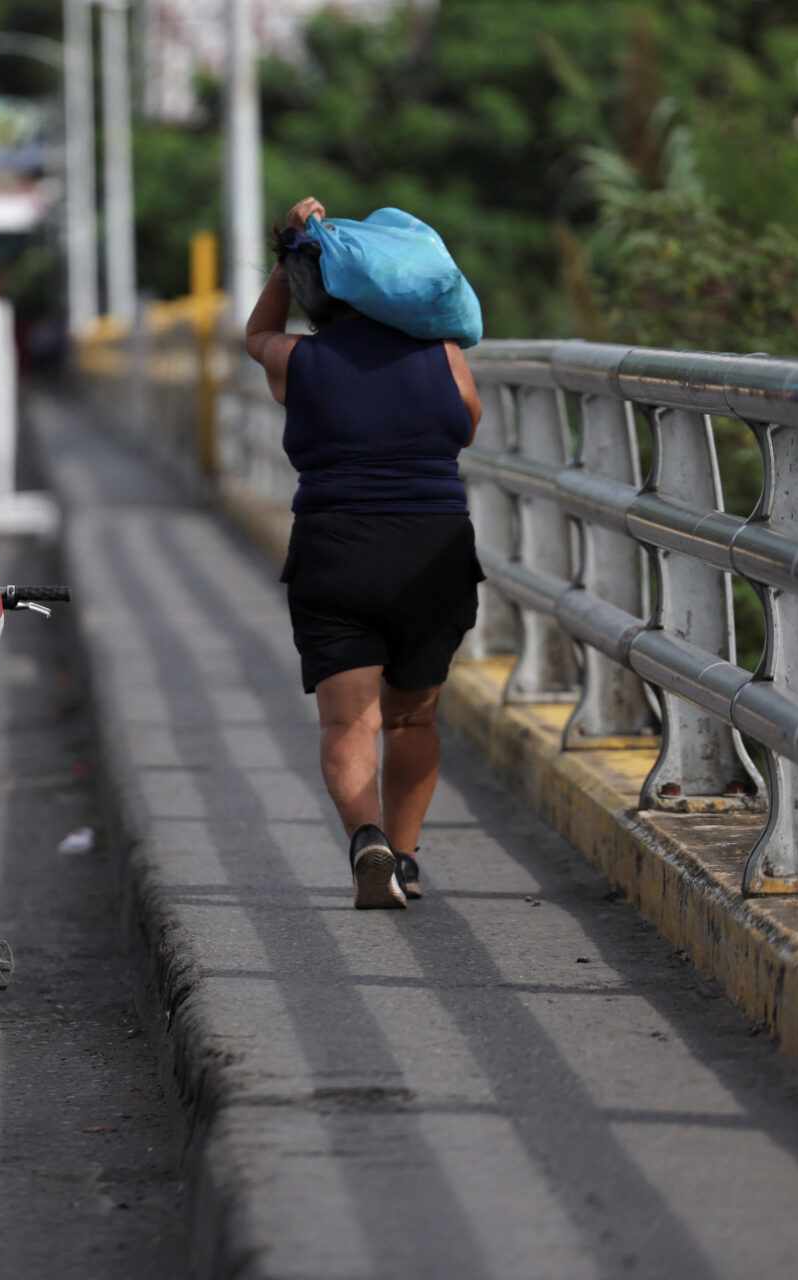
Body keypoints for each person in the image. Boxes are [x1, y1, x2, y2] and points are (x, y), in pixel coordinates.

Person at [244, 196, 485, 910]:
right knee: (412, 717)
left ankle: (366, 839)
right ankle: (405, 860)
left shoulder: (299, 359)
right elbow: (464, 430)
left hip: (335, 548)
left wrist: (292, 251)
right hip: (431, 551)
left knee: (349, 722)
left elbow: (256, 334)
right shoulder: (445, 357)